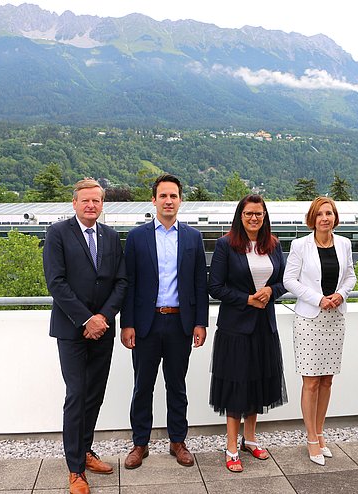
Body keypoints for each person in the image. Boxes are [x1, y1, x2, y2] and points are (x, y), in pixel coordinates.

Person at [43, 178, 127, 494]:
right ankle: (75, 469)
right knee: (77, 394)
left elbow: (121, 282)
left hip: (103, 329)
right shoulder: (58, 233)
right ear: (75, 203)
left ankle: (86, 451)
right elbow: (56, 282)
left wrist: (103, 317)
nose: (91, 205)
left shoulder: (110, 236)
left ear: (102, 204)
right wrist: (86, 319)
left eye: (96, 200)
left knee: (94, 394)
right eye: (85, 200)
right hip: (72, 329)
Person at [119, 173, 209, 470]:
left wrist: (200, 322)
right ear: (153, 200)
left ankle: (177, 441)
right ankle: (139, 443)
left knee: (177, 385)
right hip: (146, 324)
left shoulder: (193, 238)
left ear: (180, 200)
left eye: (174, 196)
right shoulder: (137, 237)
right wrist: (126, 323)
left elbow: (199, 283)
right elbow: (128, 283)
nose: (168, 201)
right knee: (142, 386)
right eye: (163, 196)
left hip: (179, 323)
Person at [208, 194, 288, 473]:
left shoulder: (274, 245)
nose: (254, 218)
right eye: (248, 213)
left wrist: (269, 291)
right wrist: (246, 299)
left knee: (257, 384)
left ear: (265, 216)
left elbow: (283, 282)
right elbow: (215, 287)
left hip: (265, 327)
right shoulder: (225, 245)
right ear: (239, 216)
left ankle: (250, 439)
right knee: (236, 387)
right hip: (236, 329)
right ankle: (231, 447)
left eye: (259, 213)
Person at [283, 197, 356, 466]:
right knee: (311, 381)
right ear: (312, 218)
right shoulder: (300, 245)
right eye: (320, 214)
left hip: (335, 318)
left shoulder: (344, 244)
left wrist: (340, 294)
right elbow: (288, 280)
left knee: (327, 380)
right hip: (310, 319)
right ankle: (311, 437)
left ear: (335, 218)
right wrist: (318, 299)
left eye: (330, 213)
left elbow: (351, 276)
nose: (325, 218)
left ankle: (321, 432)